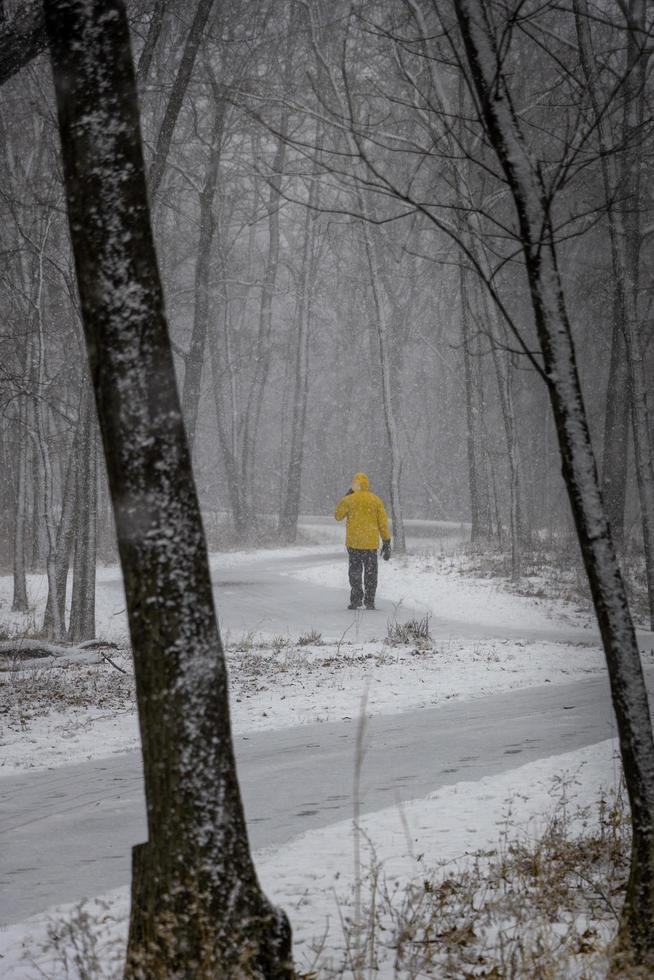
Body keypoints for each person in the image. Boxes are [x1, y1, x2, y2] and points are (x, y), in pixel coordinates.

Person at [334, 472, 391, 610]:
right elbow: (382, 523)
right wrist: (386, 541)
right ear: (367, 484)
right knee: (371, 573)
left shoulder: (349, 500)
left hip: (354, 543)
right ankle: (369, 601)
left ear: (355, 484)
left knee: (355, 572)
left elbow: (337, 516)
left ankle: (356, 600)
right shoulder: (376, 500)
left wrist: (347, 496)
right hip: (370, 544)